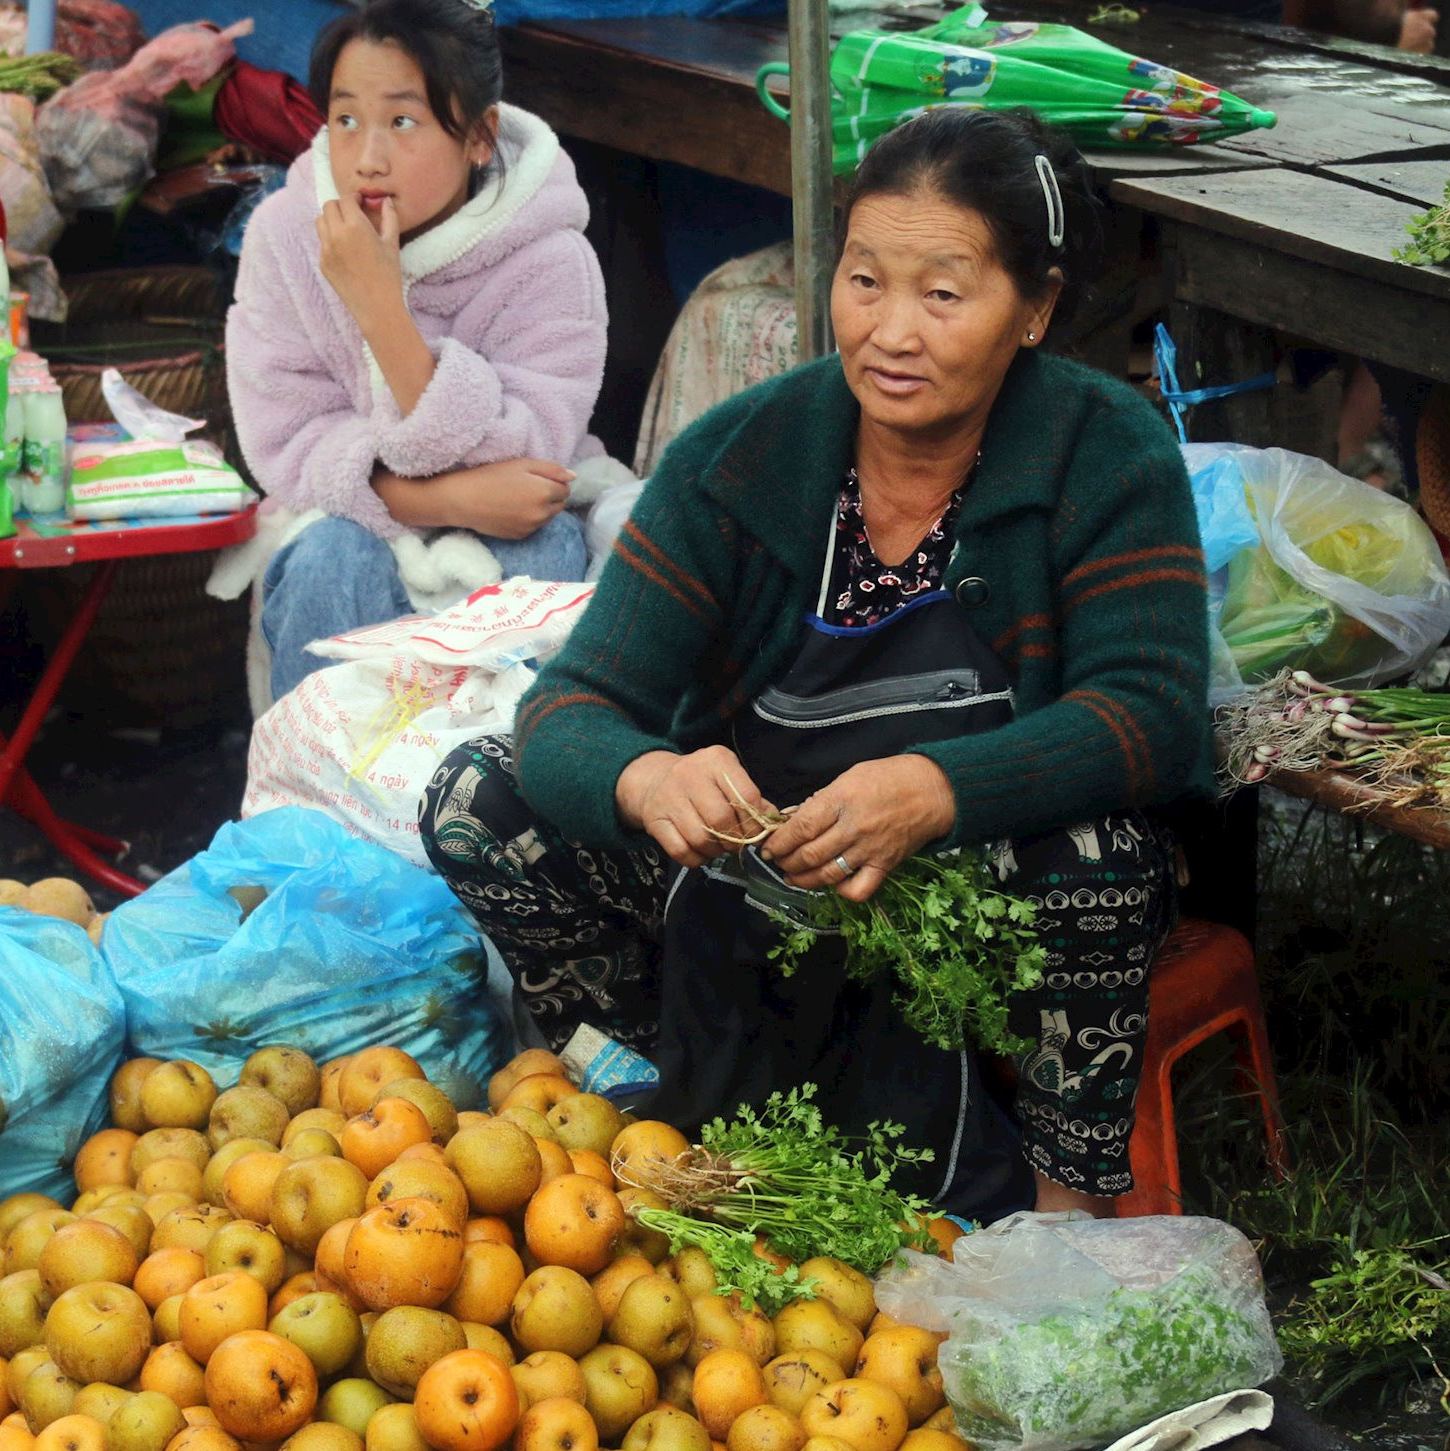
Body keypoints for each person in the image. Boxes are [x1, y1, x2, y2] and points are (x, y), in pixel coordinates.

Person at [420, 106, 1211, 1222]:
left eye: (944, 293)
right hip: (762, 872)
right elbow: (571, 707)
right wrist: (649, 777)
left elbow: (1153, 714)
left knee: (1104, 850)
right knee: (476, 798)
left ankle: (1059, 1208)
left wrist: (937, 791)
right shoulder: (743, 460)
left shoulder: (1102, 449)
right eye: (864, 280)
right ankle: (658, 1104)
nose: (892, 331)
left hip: (962, 883)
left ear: (1032, 309)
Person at [226, 0, 609, 700]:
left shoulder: (550, 255)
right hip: (348, 525)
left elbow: (532, 459)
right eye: (346, 120)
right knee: (329, 559)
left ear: (480, 138)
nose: (367, 159)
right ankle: (317, 801)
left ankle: (490, 803)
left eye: (403, 121)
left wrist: (385, 314)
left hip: (515, 524)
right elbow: (287, 441)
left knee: (546, 549)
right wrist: (439, 496)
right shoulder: (287, 234)